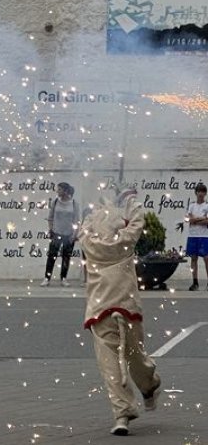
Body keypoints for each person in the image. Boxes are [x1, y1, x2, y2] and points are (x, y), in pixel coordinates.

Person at [79, 183, 161, 436]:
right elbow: (95, 242)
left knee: (135, 356)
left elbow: (128, 237)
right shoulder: (92, 219)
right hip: (99, 301)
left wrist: (123, 218)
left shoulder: (128, 216)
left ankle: (149, 385)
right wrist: (119, 225)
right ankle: (122, 411)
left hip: (125, 299)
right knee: (109, 362)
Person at [185, 182, 208, 291]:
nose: (201, 194)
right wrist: (201, 219)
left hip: (204, 236)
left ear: (205, 193)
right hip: (192, 235)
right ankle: (195, 282)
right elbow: (188, 219)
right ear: (196, 193)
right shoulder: (191, 206)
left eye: (203, 191)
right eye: (199, 191)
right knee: (193, 259)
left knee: (206, 258)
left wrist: (195, 220)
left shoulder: (207, 206)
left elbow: (207, 221)